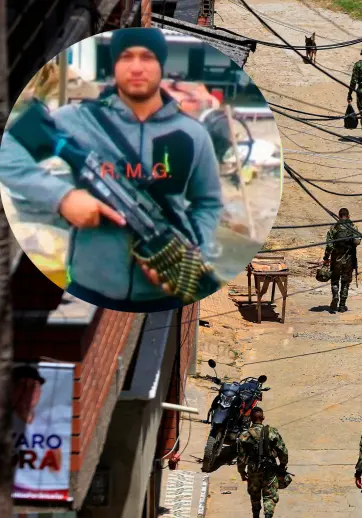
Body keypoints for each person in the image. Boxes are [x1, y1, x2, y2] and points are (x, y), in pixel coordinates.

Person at [0, 28, 224, 311]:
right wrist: (62, 197)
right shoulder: (76, 120)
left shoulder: (193, 133)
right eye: (126, 57)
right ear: (114, 65)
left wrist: (192, 254)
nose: (137, 67)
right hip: (88, 291)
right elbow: (7, 152)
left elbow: (209, 203)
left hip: (163, 298)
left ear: (161, 65)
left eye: (148, 57)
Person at [237, 407, 289, 518]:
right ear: (263, 418)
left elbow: (241, 459)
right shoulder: (271, 432)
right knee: (269, 496)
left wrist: (242, 472)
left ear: (251, 419)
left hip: (253, 470)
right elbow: (283, 451)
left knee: (255, 497)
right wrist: (282, 465)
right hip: (270, 470)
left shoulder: (244, 436)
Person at [323, 208, 361, 313]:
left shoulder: (334, 228)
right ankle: (342, 305)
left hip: (336, 259)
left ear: (339, 216)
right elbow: (357, 242)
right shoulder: (353, 227)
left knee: (335, 279)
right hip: (349, 259)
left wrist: (326, 258)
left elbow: (329, 246)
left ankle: (335, 296)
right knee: (345, 281)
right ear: (348, 216)